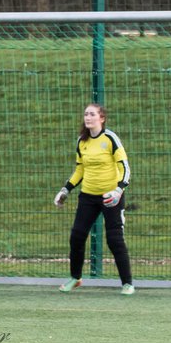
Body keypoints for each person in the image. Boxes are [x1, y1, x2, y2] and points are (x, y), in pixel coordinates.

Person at [54, 103, 134, 295]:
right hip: (88, 196)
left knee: (114, 239)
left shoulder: (110, 139)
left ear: (102, 118)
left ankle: (127, 283)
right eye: (86, 114)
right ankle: (75, 278)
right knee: (77, 236)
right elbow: (80, 169)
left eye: (92, 114)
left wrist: (118, 190)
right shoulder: (82, 141)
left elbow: (125, 167)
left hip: (111, 197)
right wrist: (65, 190)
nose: (88, 118)